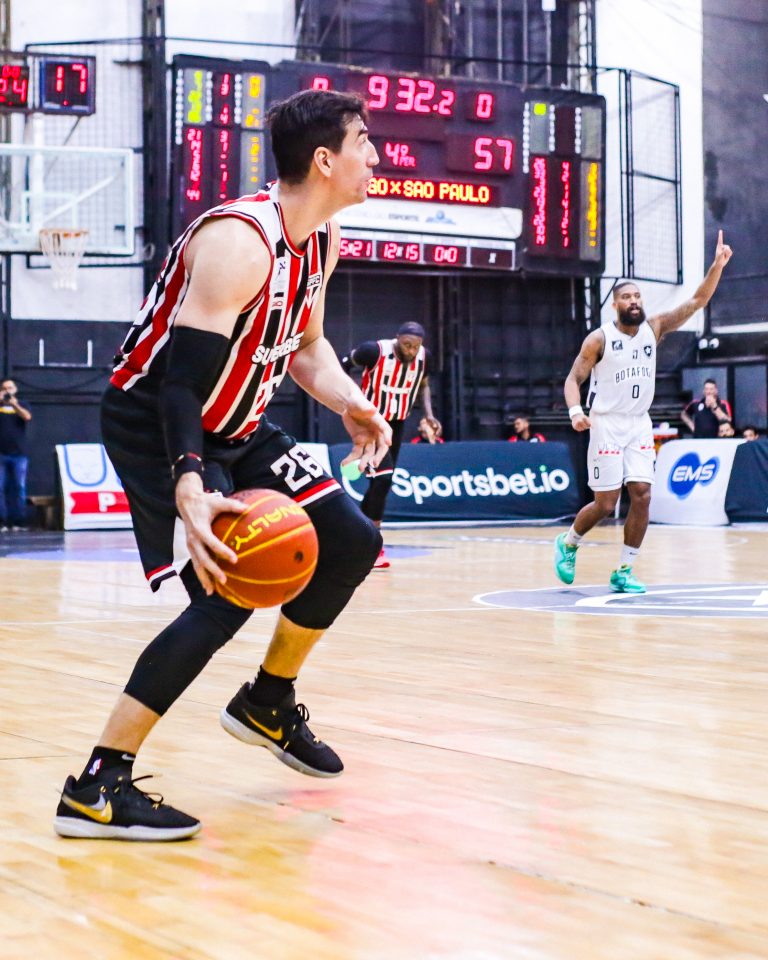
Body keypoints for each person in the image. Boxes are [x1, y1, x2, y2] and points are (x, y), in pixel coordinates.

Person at [54, 89, 391, 842]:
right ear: (325, 159)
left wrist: (349, 401)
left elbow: (306, 346)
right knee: (224, 593)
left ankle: (267, 701)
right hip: (158, 423)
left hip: (238, 422)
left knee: (351, 542)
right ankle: (97, 785)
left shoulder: (322, 239)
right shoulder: (240, 242)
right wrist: (188, 480)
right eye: (365, 142)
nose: (376, 156)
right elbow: (179, 382)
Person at [554, 231, 733, 594]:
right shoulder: (599, 339)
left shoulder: (655, 327)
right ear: (615, 305)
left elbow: (698, 300)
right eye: (626, 297)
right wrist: (575, 411)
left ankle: (624, 569)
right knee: (606, 504)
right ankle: (569, 542)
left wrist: (717, 265)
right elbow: (573, 379)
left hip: (638, 424)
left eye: (637, 296)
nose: (634, 301)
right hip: (606, 423)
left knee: (642, 495)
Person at [342, 321, 441, 569]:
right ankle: (373, 546)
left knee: (380, 483)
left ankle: (359, 540)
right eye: (407, 345)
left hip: (397, 424)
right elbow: (343, 366)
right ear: (397, 338)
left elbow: (424, 383)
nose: (411, 350)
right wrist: (353, 400)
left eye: (416, 346)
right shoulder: (373, 351)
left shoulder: (425, 357)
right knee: (383, 479)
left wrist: (428, 414)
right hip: (372, 423)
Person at [0, 379, 33, 532]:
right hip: (1, 454)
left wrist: (14, 404)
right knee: (0, 488)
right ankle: (2, 521)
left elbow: (27, 417)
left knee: (19, 487)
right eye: (4, 388)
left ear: (15, 389)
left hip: (19, 454)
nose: (8, 391)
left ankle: (19, 521)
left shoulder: (22, 404)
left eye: (10, 388)